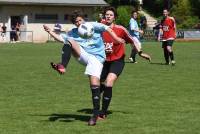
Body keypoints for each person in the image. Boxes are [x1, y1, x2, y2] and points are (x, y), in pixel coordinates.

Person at [43, 13, 125, 126]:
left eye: (80, 20)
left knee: (94, 85)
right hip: (84, 56)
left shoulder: (93, 25)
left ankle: (95, 115)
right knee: (69, 41)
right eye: (76, 22)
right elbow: (61, 38)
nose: (78, 23)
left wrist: (116, 38)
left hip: (97, 59)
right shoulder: (74, 32)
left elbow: (107, 28)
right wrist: (49, 32)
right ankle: (62, 65)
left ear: (83, 20)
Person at [98, 7, 151, 119]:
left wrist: (140, 53)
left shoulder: (121, 30)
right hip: (104, 61)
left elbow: (132, 41)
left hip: (118, 60)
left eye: (111, 15)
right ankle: (99, 93)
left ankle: (103, 112)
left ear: (114, 17)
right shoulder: (100, 28)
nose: (108, 16)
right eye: (106, 14)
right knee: (99, 85)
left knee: (109, 82)